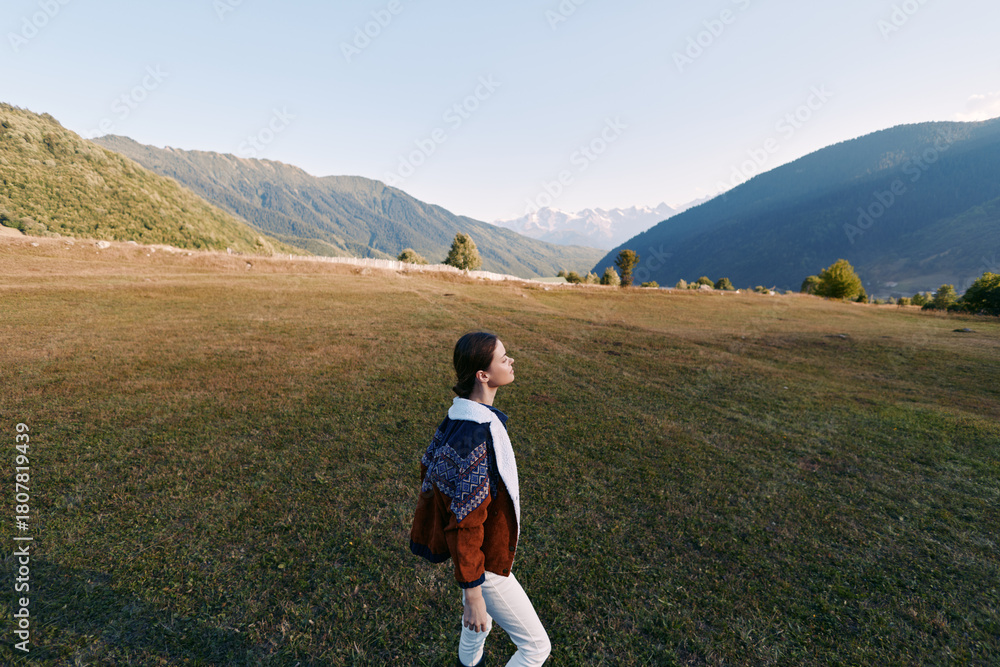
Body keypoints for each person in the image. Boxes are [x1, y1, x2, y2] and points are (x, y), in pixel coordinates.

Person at [410, 331, 551, 667]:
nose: (511, 360)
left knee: (478, 627)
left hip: (474, 559)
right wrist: (473, 592)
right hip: (483, 564)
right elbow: (465, 520)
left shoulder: (459, 419)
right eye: (504, 358)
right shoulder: (477, 435)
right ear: (483, 375)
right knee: (535, 648)